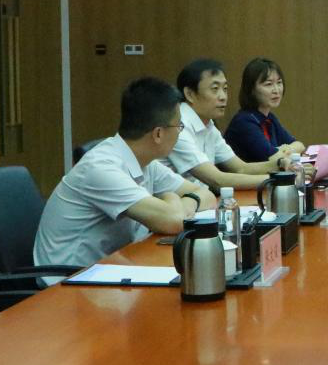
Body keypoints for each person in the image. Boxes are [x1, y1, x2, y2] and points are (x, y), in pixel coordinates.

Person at [33, 77, 216, 273]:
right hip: (67, 278)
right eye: (179, 126)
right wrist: (172, 197)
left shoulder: (146, 162)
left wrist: (179, 203)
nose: (180, 133)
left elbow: (207, 196)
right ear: (158, 134)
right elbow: (173, 221)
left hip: (113, 267)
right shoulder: (101, 168)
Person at [163, 58, 301, 191]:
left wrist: (280, 163)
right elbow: (218, 180)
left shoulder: (208, 124)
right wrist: (280, 179)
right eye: (215, 89)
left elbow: (241, 168)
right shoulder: (177, 127)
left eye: (225, 89)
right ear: (190, 94)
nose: (223, 97)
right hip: (176, 203)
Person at [224, 57, 306, 163]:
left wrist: (285, 149)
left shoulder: (269, 118)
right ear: (251, 89)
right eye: (268, 84)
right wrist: (285, 151)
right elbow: (271, 157)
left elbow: (300, 145)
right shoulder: (244, 122)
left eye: (279, 82)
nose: (276, 90)